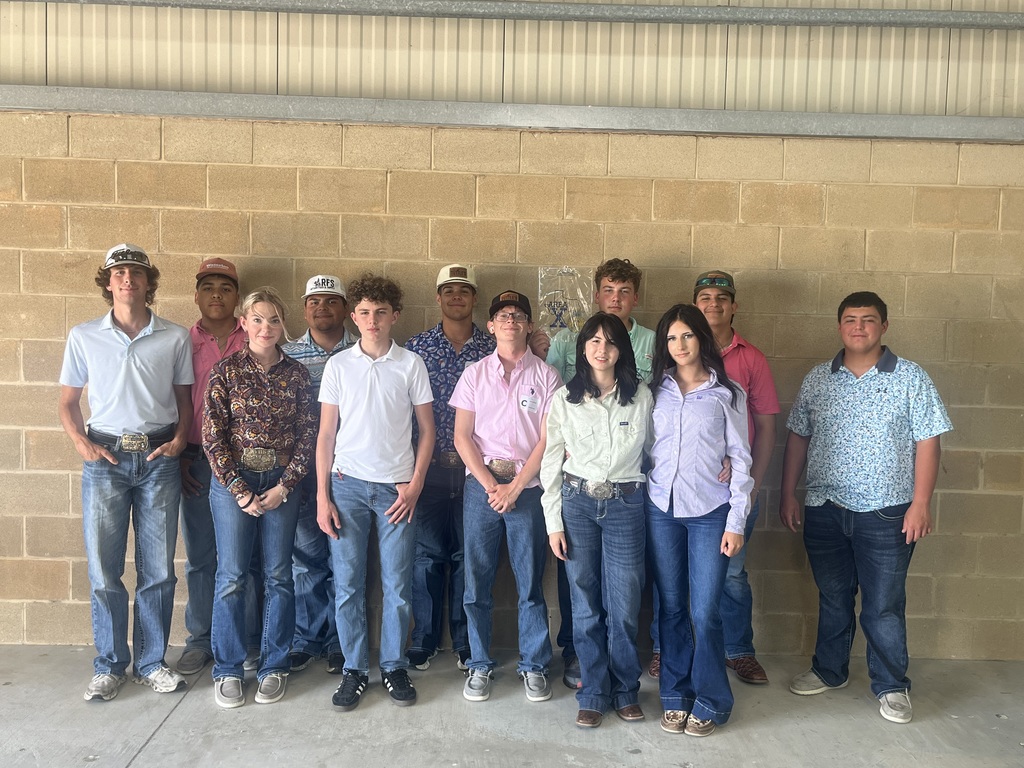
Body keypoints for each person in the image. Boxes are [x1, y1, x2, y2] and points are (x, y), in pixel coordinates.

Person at [780, 291, 952, 725]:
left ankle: (892, 685)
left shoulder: (911, 378)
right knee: (834, 596)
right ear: (840, 326)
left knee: (883, 604)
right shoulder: (819, 378)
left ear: (884, 327)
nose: (859, 327)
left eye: (869, 319)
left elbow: (928, 441)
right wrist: (787, 493)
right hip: (825, 506)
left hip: (889, 511)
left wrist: (921, 503)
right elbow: (798, 437)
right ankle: (830, 670)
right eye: (851, 319)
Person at [58, 243, 193, 701]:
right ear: (108, 281)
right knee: (104, 570)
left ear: (148, 282)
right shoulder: (83, 335)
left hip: (158, 459)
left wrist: (178, 441)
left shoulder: (174, 336)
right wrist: (83, 444)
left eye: (136, 272)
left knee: (158, 570)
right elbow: (67, 401)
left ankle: (152, 663)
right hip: (106, 459)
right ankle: (110, 665)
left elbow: (184, 400)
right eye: (119, 273)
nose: (127, 279)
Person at [316, 274, 435, 712]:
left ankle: (393, 665)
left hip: (396, 491)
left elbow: (427, 431)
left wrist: (416, 482)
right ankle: (352, 669)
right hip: (346, 487)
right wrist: (321, 495)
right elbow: (326, 435)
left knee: (397, 585)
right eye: (364, 312)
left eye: (381, 312)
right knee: (347, 584)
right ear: (354, 316)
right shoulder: (339, 366)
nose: (372, 320)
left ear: (394, 316)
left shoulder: (410, 365)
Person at [539, 257, 656, 689]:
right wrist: (553, 523)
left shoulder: (641, 397)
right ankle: (592, 687)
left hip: (626, 505)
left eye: (610, 341)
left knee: (624, 603)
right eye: (593, 340)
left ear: (621, 349)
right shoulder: (564, 401)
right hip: (577, 504)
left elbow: (658, 450)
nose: (601, 348)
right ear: (582, 347)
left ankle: (624, 687)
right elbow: (551, 463)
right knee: (584, 601)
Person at [204, 287, 317, 708]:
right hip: (234, 483)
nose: (265, 327)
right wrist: (239, 491)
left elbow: (309, 434)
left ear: (282, 324)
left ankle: (273, 665)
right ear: (244, 322)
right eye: (257, 319)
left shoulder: (297, 375)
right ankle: (229, 668)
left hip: (280, 484)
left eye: (272, 320)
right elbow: (212, 435)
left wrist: (286, 485)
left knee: (279, 575)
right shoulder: (226, 371)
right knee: (232, 576)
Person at [646, 303, 753, 738]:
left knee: (705, 610)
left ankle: (712, 699)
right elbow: (640, 444)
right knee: (671, 608)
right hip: (661, 510)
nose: (680, 345)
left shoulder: (726, 393)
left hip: (711, 513)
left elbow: (742, 459)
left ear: (701, 339)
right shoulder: (654, 391)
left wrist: (737, 522)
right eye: (671, 338)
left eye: (687, 335)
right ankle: (675, 694)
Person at [451, 290, 562, 704]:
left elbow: (550, 439)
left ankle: (534, 664)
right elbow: (462, 437)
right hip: (481, 489)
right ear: (492, 325)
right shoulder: (474, 374)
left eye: (518, 314)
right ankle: (479, 664)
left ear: (529, 325)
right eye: (502, 315)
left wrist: (515, 487)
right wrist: (490, 486)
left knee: (530, 581)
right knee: (476, 580)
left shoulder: (548, 377)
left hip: (528, 489)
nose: (510, 320)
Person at [404, 264, 496, 671]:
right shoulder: (416, 348)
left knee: (466, 557)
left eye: (464, 291)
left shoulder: (493, 349)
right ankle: (423, 639)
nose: (456, 297)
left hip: (479, 472)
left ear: (474, 299)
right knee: (426, 556)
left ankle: (463, 642)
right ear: (438, 298)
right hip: (430, 467)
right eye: (449, 291)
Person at [691, 270, 779, 685]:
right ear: (695, 305)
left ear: (734, 306)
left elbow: (764, 427)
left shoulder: (752, 359)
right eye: (705, 298)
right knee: (673, 572)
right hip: (686, 491)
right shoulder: (681, 352)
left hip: (735, 491)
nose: (713, 305)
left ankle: (739, 650)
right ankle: (665, 647)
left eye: (721, 298)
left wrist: (754, 482)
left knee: (732, 574)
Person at [175, 257, 253, 678]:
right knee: (202, 555)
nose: (217, 294)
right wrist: (182, 455)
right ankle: (201, 640)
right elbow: (173, 400)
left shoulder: (254, 335)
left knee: (246, 558)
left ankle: (248, 639)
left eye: (225, 287)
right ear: (197, 295)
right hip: (197, 461)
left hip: (246, 464)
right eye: (208, 287)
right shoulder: (180, 342)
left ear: (237, 296)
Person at [282, 274, 358, 676]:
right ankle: (309, 638)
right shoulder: (286, 353)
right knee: (306, 559)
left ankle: (339, 644)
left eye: (331, 301)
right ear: (304, 307)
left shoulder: (362, 349)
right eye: (314, 301)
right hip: (301, 471)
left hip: (350, 472)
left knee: (343, 559)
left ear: (345, 309)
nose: (322, 308)